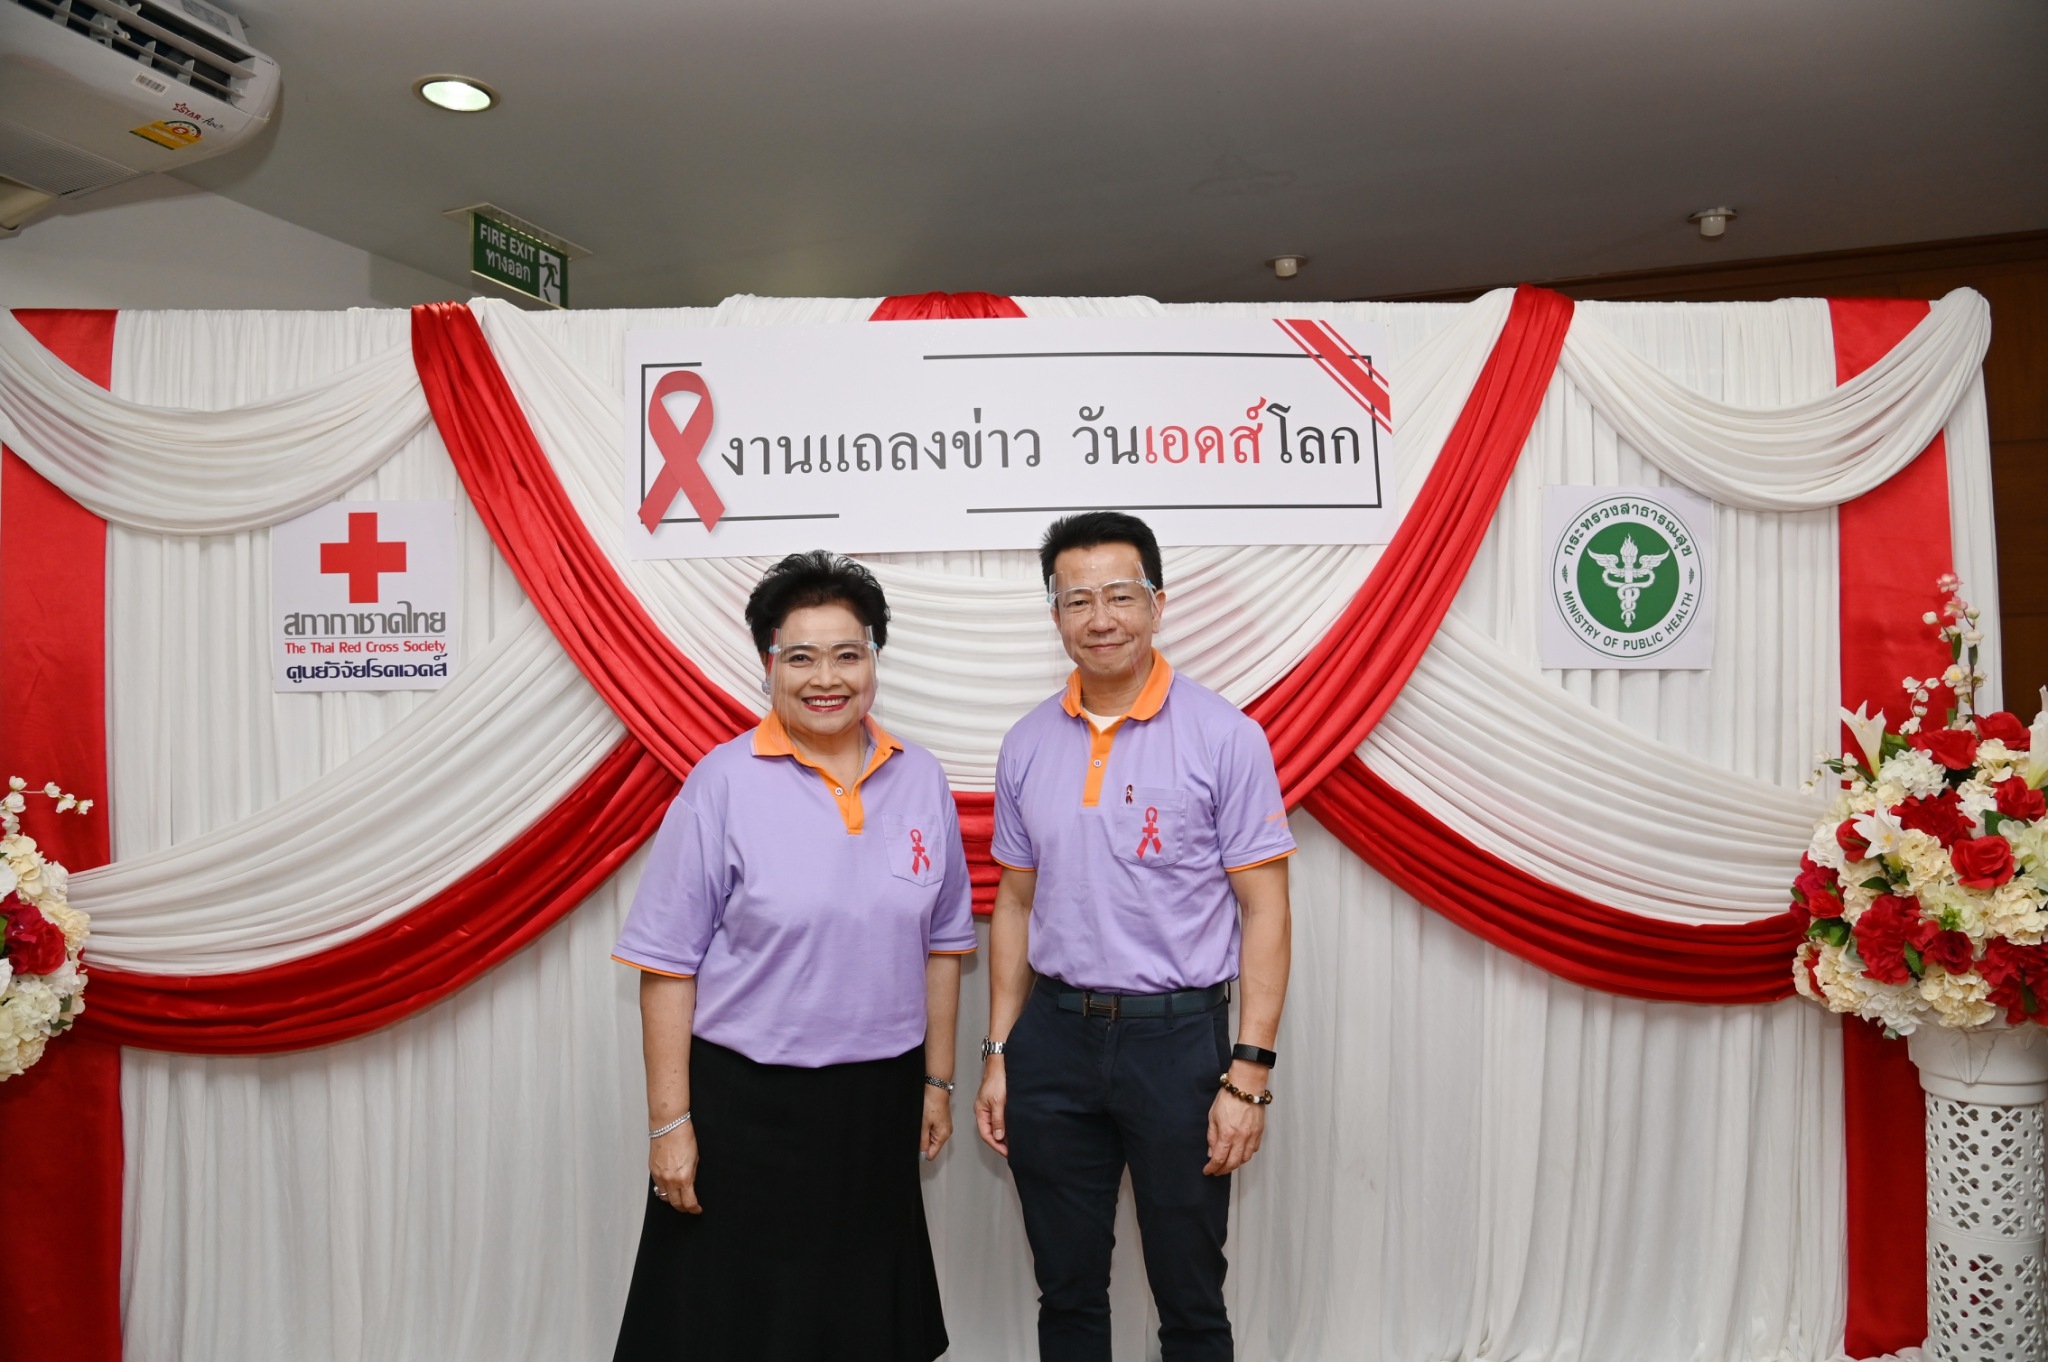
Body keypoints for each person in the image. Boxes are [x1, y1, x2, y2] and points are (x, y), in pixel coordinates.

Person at [610, 551, 974, 1362]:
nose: (827, 679)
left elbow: (944, 947)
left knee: (860, 1318)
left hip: (877, 1103)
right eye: (801, 657)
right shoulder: (722, 783)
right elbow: (667, 966)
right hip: (747, 1107)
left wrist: (937, 1082)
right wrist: (670, 1124)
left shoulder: (920, 778)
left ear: (874, 658)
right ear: (768, 663)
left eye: (848, 654)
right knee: (735, 1325)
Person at [974, 512, 1295, 1362]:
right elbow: (1014, 903)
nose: (1101, 618)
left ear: (1158, 603)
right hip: (1053, 1042)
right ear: (1055, 615)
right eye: (1077, 600)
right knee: (1067, 1290)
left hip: (1177, 1045)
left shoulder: (1225, 736)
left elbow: (1266, 909)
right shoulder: (1026, 743)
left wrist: (1249, 1075)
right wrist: (999, 1051)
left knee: (1190, 1294)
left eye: (1120, 595)